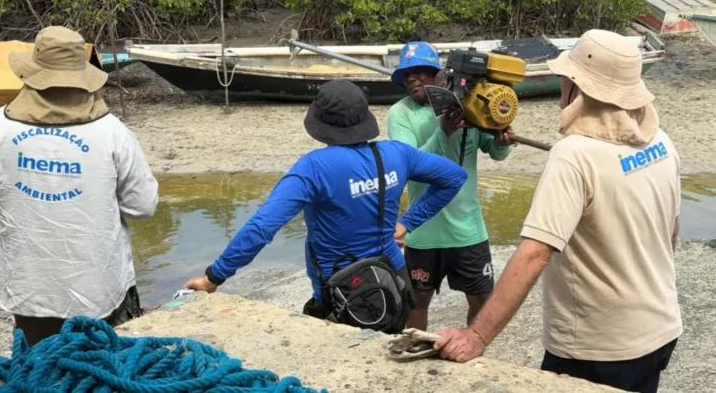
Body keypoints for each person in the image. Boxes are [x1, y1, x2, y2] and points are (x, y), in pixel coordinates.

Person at [432, 29, 682, 393]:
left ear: (576, 85)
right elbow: (671, 231)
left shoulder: (574, 154)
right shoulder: (661, 141)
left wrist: (476, 337)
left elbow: (535, 254)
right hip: (660, 329)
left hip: (598, 348)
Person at [183, 80, 468, 328]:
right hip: (394, 278)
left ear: (321, 124)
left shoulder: (313, 169)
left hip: (340, 292)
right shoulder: (397, 154)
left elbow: (263, 227)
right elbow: (455, 177)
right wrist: (408, 223)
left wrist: (214, 277)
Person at [0, 26, 159, 346]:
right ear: (83, 78)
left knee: (36, 370)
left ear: (31, 75)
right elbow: (143, 208)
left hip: (29, 292)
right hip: (98, 293)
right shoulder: (113, 132)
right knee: (96, 371)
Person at [387, 41, 515, 330]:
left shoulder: (469, 107)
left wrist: (501, 140)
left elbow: (495, 152)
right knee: (417, 301)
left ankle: (471, 352)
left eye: (421, 71)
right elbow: (410, 167)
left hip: (468, 229)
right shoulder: (401, 113)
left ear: (439, 75)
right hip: (422, 231)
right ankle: (415, 353)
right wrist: (443, 132)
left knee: (482, 298)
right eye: (407, 74)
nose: (413, 79)